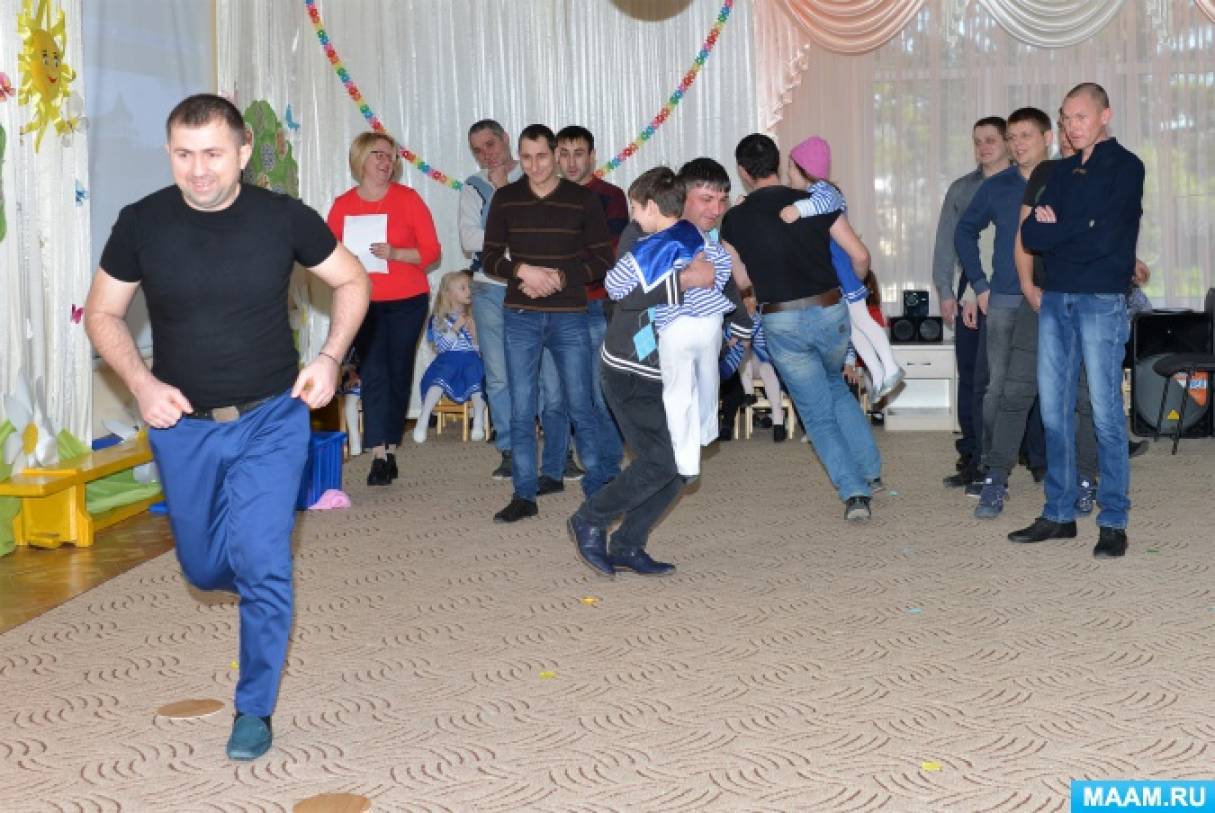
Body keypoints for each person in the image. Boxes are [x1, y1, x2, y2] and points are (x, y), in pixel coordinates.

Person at [83, 93, 370, 760]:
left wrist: (330, 357)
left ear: (242, 152)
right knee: (204, 566)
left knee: (264, 562)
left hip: (272, 415)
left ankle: (254, 708)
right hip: (182, 424)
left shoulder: (283, 218)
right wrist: (142, 384)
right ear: (168, 153)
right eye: (184, 154)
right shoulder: (142, 223)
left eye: (213, 153)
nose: (199, 169)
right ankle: (259, 582)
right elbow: (101, 314)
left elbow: (353, 281)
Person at [1013, 82, 1145, 558]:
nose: (1071, 126)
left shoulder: (1126, 167)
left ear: (1105, 115)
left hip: (1101, 301)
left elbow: (1107, 240)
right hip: (1055, 300)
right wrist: (1075, 227)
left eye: (1081, 116)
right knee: (1053, 412)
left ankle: (1113, 519)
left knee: (1106, 413)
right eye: (1066, 117)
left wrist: (1061, 228)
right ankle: (1059, 513)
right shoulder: (1061, 171)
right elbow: (1031, 234)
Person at [722, 134, 882, 521]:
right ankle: (871, 471)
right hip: (831, 311)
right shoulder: (815, 201)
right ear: (778, 163)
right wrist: (855, 285)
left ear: (743, 172)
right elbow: (860, 255)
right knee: (835, 387)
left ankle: (854, 491)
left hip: (782, 319)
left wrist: (762, 271)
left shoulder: (736, 218)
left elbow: (740, 278)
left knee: (816, 413)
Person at [568, 168, 718, 577]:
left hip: (669, 373)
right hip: (629, 372)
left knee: (681, 465)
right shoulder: (637, 237)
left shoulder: (691, 237)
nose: (712, 209)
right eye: (705, 199)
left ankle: (628, 544)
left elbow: (715, 280)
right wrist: (684, 280)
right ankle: (590, 518)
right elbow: (624, 294)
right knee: (661, 460)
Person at [481, 124, 618, 523]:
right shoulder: (506, 198)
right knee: (523, 407)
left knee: (581, 404)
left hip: (571, 316)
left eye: (541, 156)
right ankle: (524, 493)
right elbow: (490, 258)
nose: (534, 165)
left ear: (555, 155)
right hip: (520, 316)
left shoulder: (583, 200)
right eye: (526, 158)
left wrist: (559, 277)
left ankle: (598, 489)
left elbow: (603, 259)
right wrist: (522, 270)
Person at [459, 119, 581, 483]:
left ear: (506, 141)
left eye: (490, 145)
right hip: (490, 287)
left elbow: (552, 231)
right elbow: (470, 240)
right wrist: (503, 205)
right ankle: (510, 450)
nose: (486, 154)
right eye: (477, 150)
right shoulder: (473, 186)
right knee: (499, 376)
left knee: (550, 374)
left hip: (540, 288)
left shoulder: (537, 174)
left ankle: (560, 451)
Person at [954, 107, 1053, 518]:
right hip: (1007, 301)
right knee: (998, 388)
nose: (1017, 143)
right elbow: (964, 231)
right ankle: (992, 469)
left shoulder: (1067, 180)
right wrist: (979, 284)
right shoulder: (997, 186)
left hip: (1059, 299)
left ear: (1047, 137)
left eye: (1025, 135)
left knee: (1056, 386)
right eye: (1011, 137)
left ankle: (1051, 463)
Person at [327, 131, 440, 485]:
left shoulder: (409, 199)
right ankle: (379, 454)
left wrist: (396, 253)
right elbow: (327, 256)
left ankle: (390, 446)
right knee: (374, 372)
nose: (385, 161)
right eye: (378, 154)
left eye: (390, 156)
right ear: (360, 158)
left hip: (408, 301)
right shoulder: (343, 205)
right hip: (363, 303)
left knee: (398, 372)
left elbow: (431, 251)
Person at [606, 166, 734, 478]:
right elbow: (721, 265)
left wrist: (673, 282)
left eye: (635, 208)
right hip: (711, 322)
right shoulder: (697, 233)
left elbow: (616, 286)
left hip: (677, 327)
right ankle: (706, 430)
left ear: (651, 207)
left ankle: (684, 459)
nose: (634, 217)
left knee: (678, 393)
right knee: (707, 381)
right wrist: (703, 283)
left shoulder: (648, 246)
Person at [779, 136, 903, 398]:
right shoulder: (811, 193)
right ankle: (878, 375)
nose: (787, 172)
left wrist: (798, 210)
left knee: (864, 321)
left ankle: (891, 367)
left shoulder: (826, 192)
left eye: (790, 166)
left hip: (843, 270)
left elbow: (823, 205)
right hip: (833, 274)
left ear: (805, 169)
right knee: (853, 331)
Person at [933, 117, 1011, 487]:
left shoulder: (1024, 183)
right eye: (978, 141)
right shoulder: (962, 189)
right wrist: (946, 292)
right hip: (971, 287)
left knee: (1012, 377)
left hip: (1013, 285)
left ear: (1007, 143)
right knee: (971, 375)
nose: (983, 147)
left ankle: (1026, 455)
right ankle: (972, 455)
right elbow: (946, 243)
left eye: (991, 140)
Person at [556, 125, 628, 465]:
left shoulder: (610, 196)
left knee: (601, 390)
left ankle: (609, 463)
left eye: (579, 153)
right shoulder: (549, 196)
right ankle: (584, 459)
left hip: (597, 303)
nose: (571, 162)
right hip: (557, 306)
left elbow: (610, 251)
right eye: (564, 154)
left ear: (592, 156)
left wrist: (565, 263)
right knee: (569, 390)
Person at [412, 270, 486, 443]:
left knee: (477, 376)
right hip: (449, 360)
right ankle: (423, 417)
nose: (468, 291)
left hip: (471, 360)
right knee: (442, 373)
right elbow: (440, 348)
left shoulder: (474, 317)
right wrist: (455, 328)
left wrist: (475, 335)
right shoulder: (439, 319)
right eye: (463, 288)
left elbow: (478, 350)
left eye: (469, 287)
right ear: (448, 294)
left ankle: (478, 421)